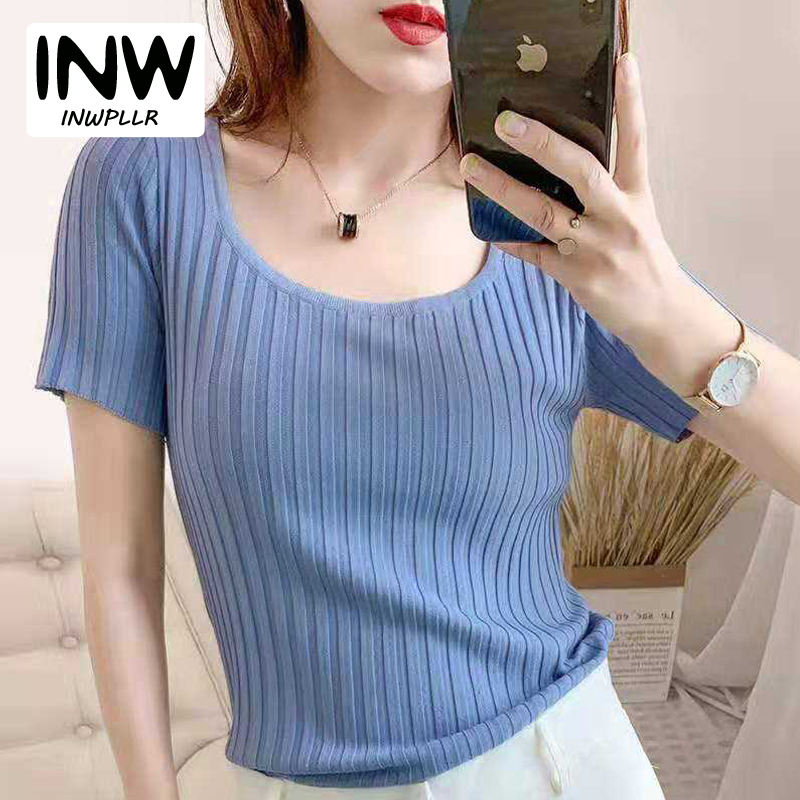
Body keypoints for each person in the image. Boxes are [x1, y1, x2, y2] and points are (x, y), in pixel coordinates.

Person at [33, 1, 800, 799]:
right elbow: (123, 569)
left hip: (561, 764)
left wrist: (668, 307)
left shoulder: (558, 220)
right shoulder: (142, 183)